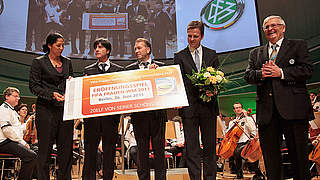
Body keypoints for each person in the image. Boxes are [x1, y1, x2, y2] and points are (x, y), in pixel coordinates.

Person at [244, 15, 314, 180]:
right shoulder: (256, 53)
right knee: (271, 159)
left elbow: (307, 70)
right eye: (267, 27)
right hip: (267, 113)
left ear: (283, 28)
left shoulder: (298, 45)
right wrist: (263, 73)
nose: (270, 29)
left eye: (274, 25)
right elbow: (248, 75)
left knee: (299, 157)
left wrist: (281, 72)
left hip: (294, 110)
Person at [173, 20, 219, 180]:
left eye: (195, 36)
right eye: (189, 36)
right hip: (189, 109)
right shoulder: (179, 56)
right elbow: (177, 83)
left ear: (202, 36)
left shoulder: (212, 54)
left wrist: (213, 90)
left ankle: (210, 177)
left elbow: (218, 78)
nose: (192, 39)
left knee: (210, 147)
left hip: (209, 107)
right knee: (191, 148)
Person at [29, 32, 74, 180]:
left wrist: (72, 88)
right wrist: (51, 94)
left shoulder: (67, 62)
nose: (61, 48)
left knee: (66, 150)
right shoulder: (39, 62)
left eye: (63, 45)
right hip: (46, 110)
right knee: (45, 150)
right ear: (49, 45)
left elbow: (70, 82)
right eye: (58, 45)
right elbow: (33, 86)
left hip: (64, 111)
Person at [82, 38, 124, 180]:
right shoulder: (88, 70)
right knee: (90, 152)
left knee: (109, 152)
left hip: (110, 119)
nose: (97, 50)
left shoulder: (118, 70)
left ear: (108, 50)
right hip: (92, 120)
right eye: (96, 47)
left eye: (100, 47)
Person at [125, 38, 167, 180]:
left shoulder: (161, 66)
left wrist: (156, 73)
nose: (136, 51)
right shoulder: (129, 69)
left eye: (139, 48)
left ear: (148, 49)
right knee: (142, 152)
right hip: (139, 117)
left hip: (157, 116)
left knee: (159, 151)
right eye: (135, 48)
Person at [0, 87, 37, 180]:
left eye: (18, 96)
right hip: (4, 142)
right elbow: (7, 131)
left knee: (37, 150)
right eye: (15, 96)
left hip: (11, 141)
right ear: (7, 97)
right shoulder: (3, 109)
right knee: (31, 156)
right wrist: (23, 143)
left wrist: (29, 121)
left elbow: (18, 129)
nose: (18, 98)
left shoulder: (12, 110)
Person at [228, 103, 264, 179]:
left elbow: (253, 130)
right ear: (234, 110)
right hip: (236, 143)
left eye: (240, 107)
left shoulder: (248, 119)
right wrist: (233, 125)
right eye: (236, 108)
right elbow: (227, 134)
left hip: (247, 142)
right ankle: (239, 172)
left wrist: (247, 117)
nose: (238, 109)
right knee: (236, 151)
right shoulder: (232, 122)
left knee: (251, 151)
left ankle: (257, 172)